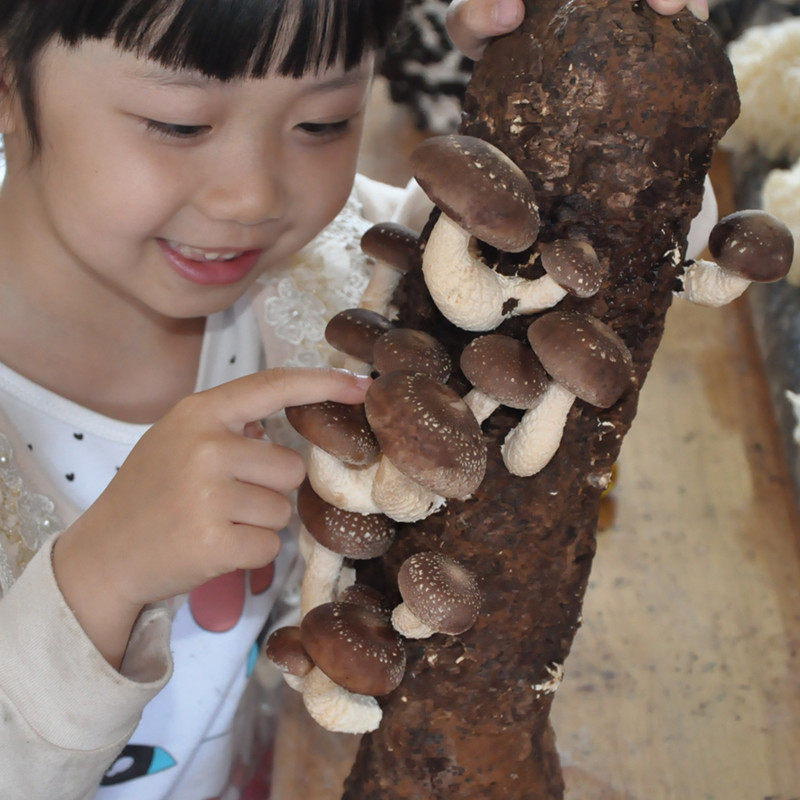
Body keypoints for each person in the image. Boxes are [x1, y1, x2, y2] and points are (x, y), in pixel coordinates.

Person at [0, 0, 701, 798]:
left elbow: (596, 260)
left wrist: (593, 70)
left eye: (323, 122)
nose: (251, 197)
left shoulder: (334, 274)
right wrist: (100, 580)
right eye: (179, 124)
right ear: (8, 84)